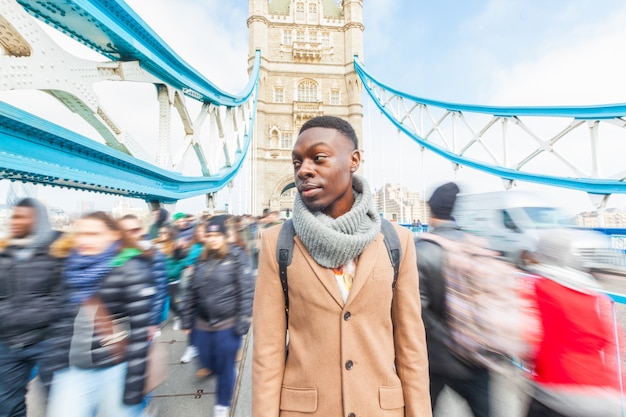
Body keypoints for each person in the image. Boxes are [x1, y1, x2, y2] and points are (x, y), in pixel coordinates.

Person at [252, 115, 431, 417]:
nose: (304, 170)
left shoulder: (397, 241)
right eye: (297, 163)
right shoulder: (277, 242)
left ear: (354, 160)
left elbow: (411, 348)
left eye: (318, 158)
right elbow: (267, 355)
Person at [44, 211, 156, 417]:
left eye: (94, 234)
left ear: (114, 235)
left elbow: (139, 335)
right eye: (82, 234)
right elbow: (60, 326)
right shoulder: (69, 269)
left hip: (116, 368)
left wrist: (133, 391)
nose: (85, 240)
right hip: (73, 369)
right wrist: (53, 373)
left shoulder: (130, 269)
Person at [523, 230, 625, 417]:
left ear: (541, 255)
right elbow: (616, 345)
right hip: (606, 397)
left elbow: (523, 339)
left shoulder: (536, 287)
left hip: (556, 392)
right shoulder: (597, 297)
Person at [415, 182, 491, 417]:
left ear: (431, 210)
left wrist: (448, 341)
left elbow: (417, 310)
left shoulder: (422, 250)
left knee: (422, 411)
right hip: (477, 355)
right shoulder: (476, 247)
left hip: (435, 358)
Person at [182, 215, 254, 417]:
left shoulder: (237, 257)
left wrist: (244, 322)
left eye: (216, 235)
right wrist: (187, 319)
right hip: (203, 324)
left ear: (224, 236)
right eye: (209, 235)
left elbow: (246, 291)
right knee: (207, 362)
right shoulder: (201, 259)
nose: (212, 239)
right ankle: (228, 371)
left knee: (224, 367)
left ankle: (223, 404)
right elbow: (191, 291)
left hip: (227, 324)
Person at [0, 198, 63, 417]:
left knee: (62, 401)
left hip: (48, 340)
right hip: (8, 342)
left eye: (20, 217)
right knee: (7, 406)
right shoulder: (5, 254)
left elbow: (66, 295)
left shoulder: (57, 253)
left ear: (36, 220)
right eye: (13, 216)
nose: (13, 221)